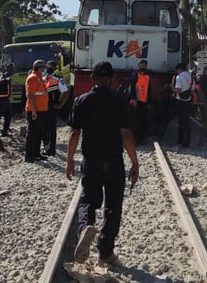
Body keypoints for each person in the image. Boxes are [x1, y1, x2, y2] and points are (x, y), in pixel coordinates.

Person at [66, 61, 139, 266]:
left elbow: (74, 133)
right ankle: (105, 252)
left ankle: (85, 228)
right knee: (114, 206)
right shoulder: (120, 100)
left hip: (91, 161)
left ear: (93, 79)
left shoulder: (81, 100)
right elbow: (126, 134)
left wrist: (70, 160)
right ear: (111, 79)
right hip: (114, 161)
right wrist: (135, 163)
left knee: (88, 200)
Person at [43, 60, 69, 157]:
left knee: (51, 128)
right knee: (43, 128)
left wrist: (61, 105)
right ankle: (46, 144)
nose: (48, 67)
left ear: (54, 67)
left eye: (50, 66)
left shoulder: (58, 79)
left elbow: (65, 92)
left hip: (51, 106)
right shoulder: (43, 79)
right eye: (47, 66)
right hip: (42, 106)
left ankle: (51, 149)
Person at [24, 60, 48, 162]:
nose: (44, 69)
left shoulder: (39, 78)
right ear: (39, 68)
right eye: (43, 67)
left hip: (41, 109)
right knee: (32, 133)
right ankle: (29, 155)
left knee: (38, 133)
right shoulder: (32, 78)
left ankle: (36, 153)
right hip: (35, 110)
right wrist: (34, 111)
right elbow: (30, 95)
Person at [129, 59, 152, 144]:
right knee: (135, 121)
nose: (142, 66)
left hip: (144, 102)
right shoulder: (134, 75)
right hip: (136, 101)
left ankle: (141, 138)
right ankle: (135, 139)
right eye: (141, 65)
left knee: (143, 120)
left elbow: (149, 90)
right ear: (138, 66)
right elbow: (132, 88)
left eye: (144, 65)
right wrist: (134, 99)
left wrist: (149, 102)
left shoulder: (147, 77)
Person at [172, 63, 193, 148]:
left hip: (181, 101)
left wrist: (171, 88)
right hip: (188, 100)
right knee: (187, 121)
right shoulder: (190, 77)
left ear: (179, 69)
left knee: (181, 122)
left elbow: (178, 91)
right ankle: (187, 142)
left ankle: (180, 140)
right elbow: (192, 90)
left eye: (177, 70)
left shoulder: (179, 77)